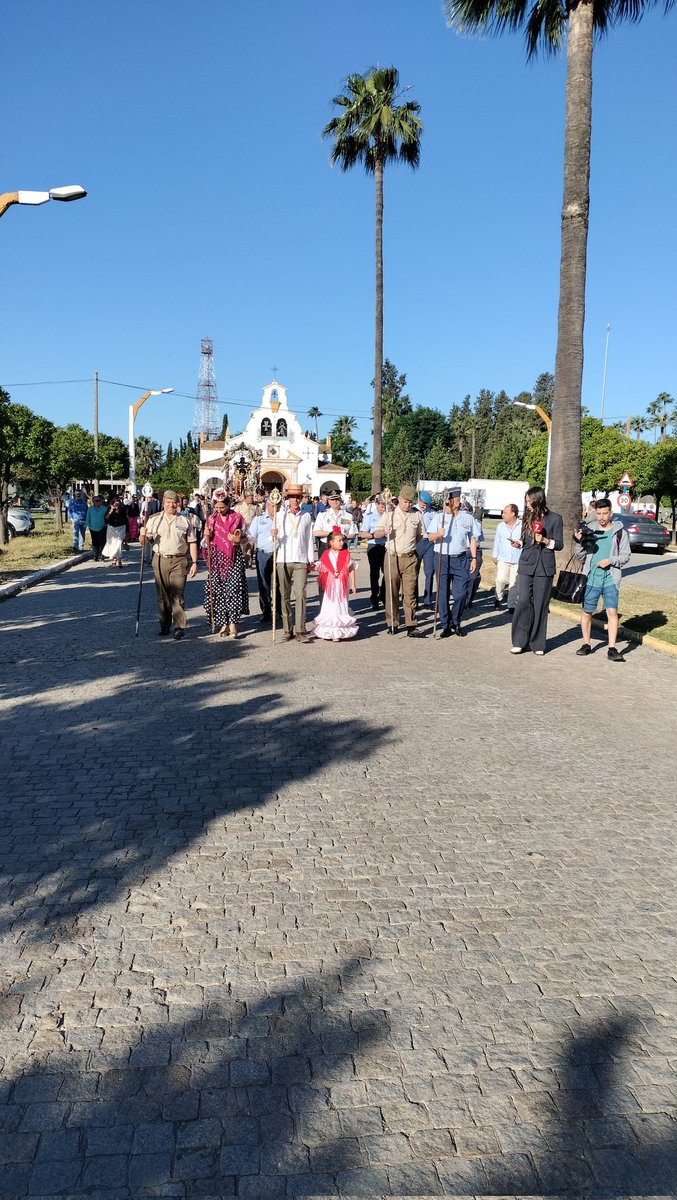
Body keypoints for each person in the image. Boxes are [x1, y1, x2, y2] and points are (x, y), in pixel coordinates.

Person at [574, 498, 631, 662]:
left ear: (611, 513)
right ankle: (586, 644)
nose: (602, 517)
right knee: (587, 613)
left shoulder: (620, 532)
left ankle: (612, 648)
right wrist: (579, 542)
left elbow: (626, 556)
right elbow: (580, 556)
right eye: (598, 513)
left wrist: (611, 561)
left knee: (612, 613)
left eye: (605, 513)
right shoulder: (590, 530)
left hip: (611, 579)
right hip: (592, 578)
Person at [510, 486, 564, 656]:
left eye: (528, 501)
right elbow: (525, 539)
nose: (526, 505)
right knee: (523, 600)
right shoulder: (527, 517)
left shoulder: (555, 519)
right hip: (526, 564)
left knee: (541, 605)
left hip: (544, 567)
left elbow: (560, 544)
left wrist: (547, 541)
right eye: (525, 501)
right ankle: (519, 641)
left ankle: (538, 643)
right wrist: (519, 542)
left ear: (537, 500)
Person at [140, 489, 198, 639]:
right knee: (162, 595)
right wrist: (142, 534)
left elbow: (192, 542)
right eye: (168, 502)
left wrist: (195, 562)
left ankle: (179, 626)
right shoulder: (154, 519)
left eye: (174, 503)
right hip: (160, 559)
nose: (171, 505)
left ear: (178, 504)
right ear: (163, 503)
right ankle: (164, 625)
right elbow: (145, 542)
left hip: (179, 560)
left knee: (177, 594)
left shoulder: (185, 520)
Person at [373, 484, 426, 637]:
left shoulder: (417, 515)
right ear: (400, 499)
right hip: (392, 556)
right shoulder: (389, 514)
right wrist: (384, 531)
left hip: (409, 558)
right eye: (405, 501)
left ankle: (411, 624)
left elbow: (419, 536)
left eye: (410, 502)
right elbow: (376, 533)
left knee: (410, 593)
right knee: (392, 591)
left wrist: (409, 547)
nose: (408, 505)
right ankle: (393, 623)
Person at [428, 489, 479, 637]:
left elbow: (473, 538)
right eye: (449, 501)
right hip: (442, 558)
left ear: (457, 502)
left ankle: (456, 621)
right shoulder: (439, 517)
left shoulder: (467, 518)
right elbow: (430, 537)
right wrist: (439, 534)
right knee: (442, 593)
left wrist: (474, 558)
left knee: (461, 594)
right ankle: (445, 625)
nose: (450, 503)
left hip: (461, 559)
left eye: (453, 500)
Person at [203, 490, 249, 637]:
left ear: (228, 504)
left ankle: (233, 624)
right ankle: (223, 623)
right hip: (217, 559)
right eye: (216, 507)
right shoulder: (211, 519)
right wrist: (207, 536)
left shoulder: (237, 518)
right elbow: (206, 542)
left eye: (222, 507)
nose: (219, 510)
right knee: (219, 591)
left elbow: (245, 538)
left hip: (234, 558)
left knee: (233, 590)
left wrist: (237, 539)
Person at [273, 484, 315, 643]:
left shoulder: (306, 515)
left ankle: (300, 630)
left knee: (301, 594)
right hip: (283, 559)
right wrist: (274, 535)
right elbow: (275, 541)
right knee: (284, 595)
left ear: (302, 498)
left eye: (298, 497)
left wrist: (311, 559)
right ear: (287, 498)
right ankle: (287, 628)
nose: (295, 500)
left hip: (300, 559)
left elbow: (309, 538)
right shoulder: (280, 515)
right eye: (292, 497)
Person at [312, 528, 359, 641]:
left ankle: (340, 630)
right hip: (331, 585)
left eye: (342, 540)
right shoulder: (326, 554)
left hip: (342, 585)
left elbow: (351, 568)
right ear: (331, 542)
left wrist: (353, 584)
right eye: (339, 540)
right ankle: (330, 631)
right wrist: (313, 566)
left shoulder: (345, 554)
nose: (342, 543)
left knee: (341, 605)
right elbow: (322, 566)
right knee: (331, 606)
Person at [249, 496, 281, 624]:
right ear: (267, 506)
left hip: (279, 554)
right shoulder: (259, 519)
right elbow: (251, 535)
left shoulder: (283, 519)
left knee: (279, 584)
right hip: (263, 554)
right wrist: (246, 547)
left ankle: (279, 610)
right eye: (273, 505)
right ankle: (266, 611)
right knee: (264, 584)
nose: (275, 508)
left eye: (277, 505)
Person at [492, 504, 522, 609]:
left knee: (514, 583)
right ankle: (498, 598)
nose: (502, 514)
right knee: (500, 580)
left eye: (505, 512)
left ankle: (512, 605)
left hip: (518, 560)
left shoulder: (522, 526)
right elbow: (497, 542)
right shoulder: (500, 526)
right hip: (503, 559)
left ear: (513, 514)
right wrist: (495, 555)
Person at [360, 498, 387, 610]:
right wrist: (373, 535)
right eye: (381, 505)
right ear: (376, 504)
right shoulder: (370, 516)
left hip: (386, 546)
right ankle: (374, 598)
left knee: (388, 573)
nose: (383, 508)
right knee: (375, 574)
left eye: (385, 505)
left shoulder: (389, 516)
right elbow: (362, 533)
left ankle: (384, 596)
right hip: (374, 546)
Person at [415, 491, 437, 609]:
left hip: (429, 543)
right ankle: (414, 600)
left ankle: (427, 600)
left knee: (429, 572)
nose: (425, 507)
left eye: (427, 505)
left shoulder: (432, 513)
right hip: (417, 542)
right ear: (419, 500)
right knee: (414, 572)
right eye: (423, 504)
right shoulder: (413, 510)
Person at [102, 498, 128, 567]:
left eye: (118, 504)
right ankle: (114, 559)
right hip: (111, 528)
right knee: (112, 544)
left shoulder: (123, 510)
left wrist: (127, 531)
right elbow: (106, 519)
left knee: (118, 544)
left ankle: (119, 559)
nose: (116, 506)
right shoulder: (109, 510)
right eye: (115, 504)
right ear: (112, 504)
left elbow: (126, 520)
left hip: (121, 527)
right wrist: (111, 510)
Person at [86, 494, 107, 561]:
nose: (97, 502)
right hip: (92, 528)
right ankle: (96, 555)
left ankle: (102, 555)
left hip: (102, 528)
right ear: (93, 501)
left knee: (102, 542)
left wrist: (105, 525)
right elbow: (88, 518)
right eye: (96, 500)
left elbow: (106, 518)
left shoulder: (104, 509)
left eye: (98, 500)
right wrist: (89, 525)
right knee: (94, 542)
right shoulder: (90, 509)